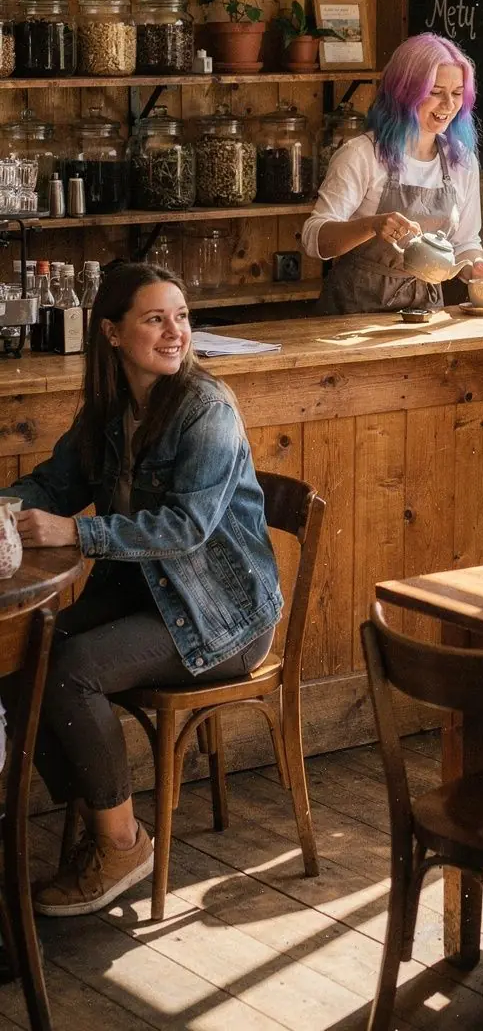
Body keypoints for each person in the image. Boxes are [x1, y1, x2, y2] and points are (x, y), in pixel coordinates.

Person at [2, 263, 283, 918]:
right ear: (112, 333)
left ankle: (121, 843)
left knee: (68, 671)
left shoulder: (206, 408)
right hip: (146, 596)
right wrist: (9, 508)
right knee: (19, 652)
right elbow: (52, 486)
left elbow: (185, 528)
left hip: (221, 616)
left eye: (180, 316)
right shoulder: (108, 410)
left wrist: (79, 536)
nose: (174, 332)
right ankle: (96, 815)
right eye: (155, 318)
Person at [302, 32, 483, 314]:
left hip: (423, 313)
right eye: (435, 93)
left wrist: (477, 268)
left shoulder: (460, 160)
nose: (449, 105)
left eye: (457, 93)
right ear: (404, 93)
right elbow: (315, 239)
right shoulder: (362, 154)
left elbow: (464, 242)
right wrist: (371, 225)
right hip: (354, 312)